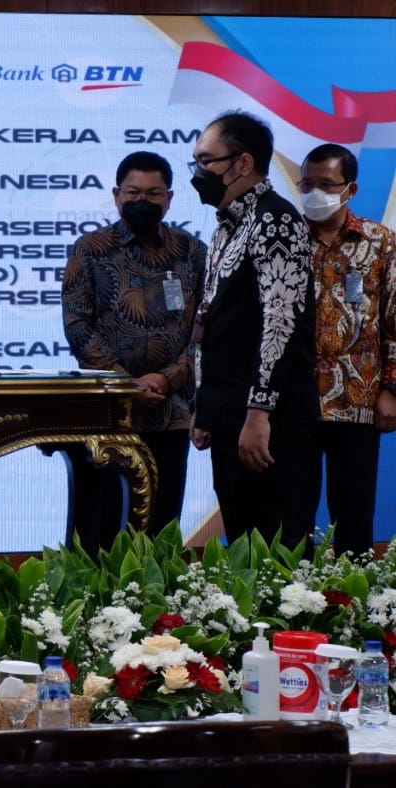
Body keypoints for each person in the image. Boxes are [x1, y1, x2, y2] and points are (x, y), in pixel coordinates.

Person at [62, 151, 207, 553]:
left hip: (171, 410)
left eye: (153, 194)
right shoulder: (89, 249)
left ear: (169, 198)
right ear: (116, 195)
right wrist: (128, 385)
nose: (143, 201)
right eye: (133, 193)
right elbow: (78, 326)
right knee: (105, 527)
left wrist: (167, 378)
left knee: (162, 526)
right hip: (110, 413)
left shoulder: (192, 251)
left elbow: (207, 331)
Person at [188, 110, 320, 550]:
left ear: (243, 163)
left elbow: (281, 322)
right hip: (229, 413)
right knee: (243, 550)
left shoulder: (276, 220)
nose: (197, 172)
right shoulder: (228, 227)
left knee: (279, 551)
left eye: (206, 161)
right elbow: (216, 321)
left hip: (268, 421)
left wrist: (258, 413)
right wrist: (205, 407)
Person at [299, 143, 396, 555]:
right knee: (292, 512)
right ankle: (289, 590)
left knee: (354, 511)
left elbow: (393, 321)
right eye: (307, 184)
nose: (314, 193)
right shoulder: (284, 240)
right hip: (295, 399)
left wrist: (391, 389)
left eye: (326, 185)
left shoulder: (380, 242)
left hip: (358, 397)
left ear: (350, 189)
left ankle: (354, 590)